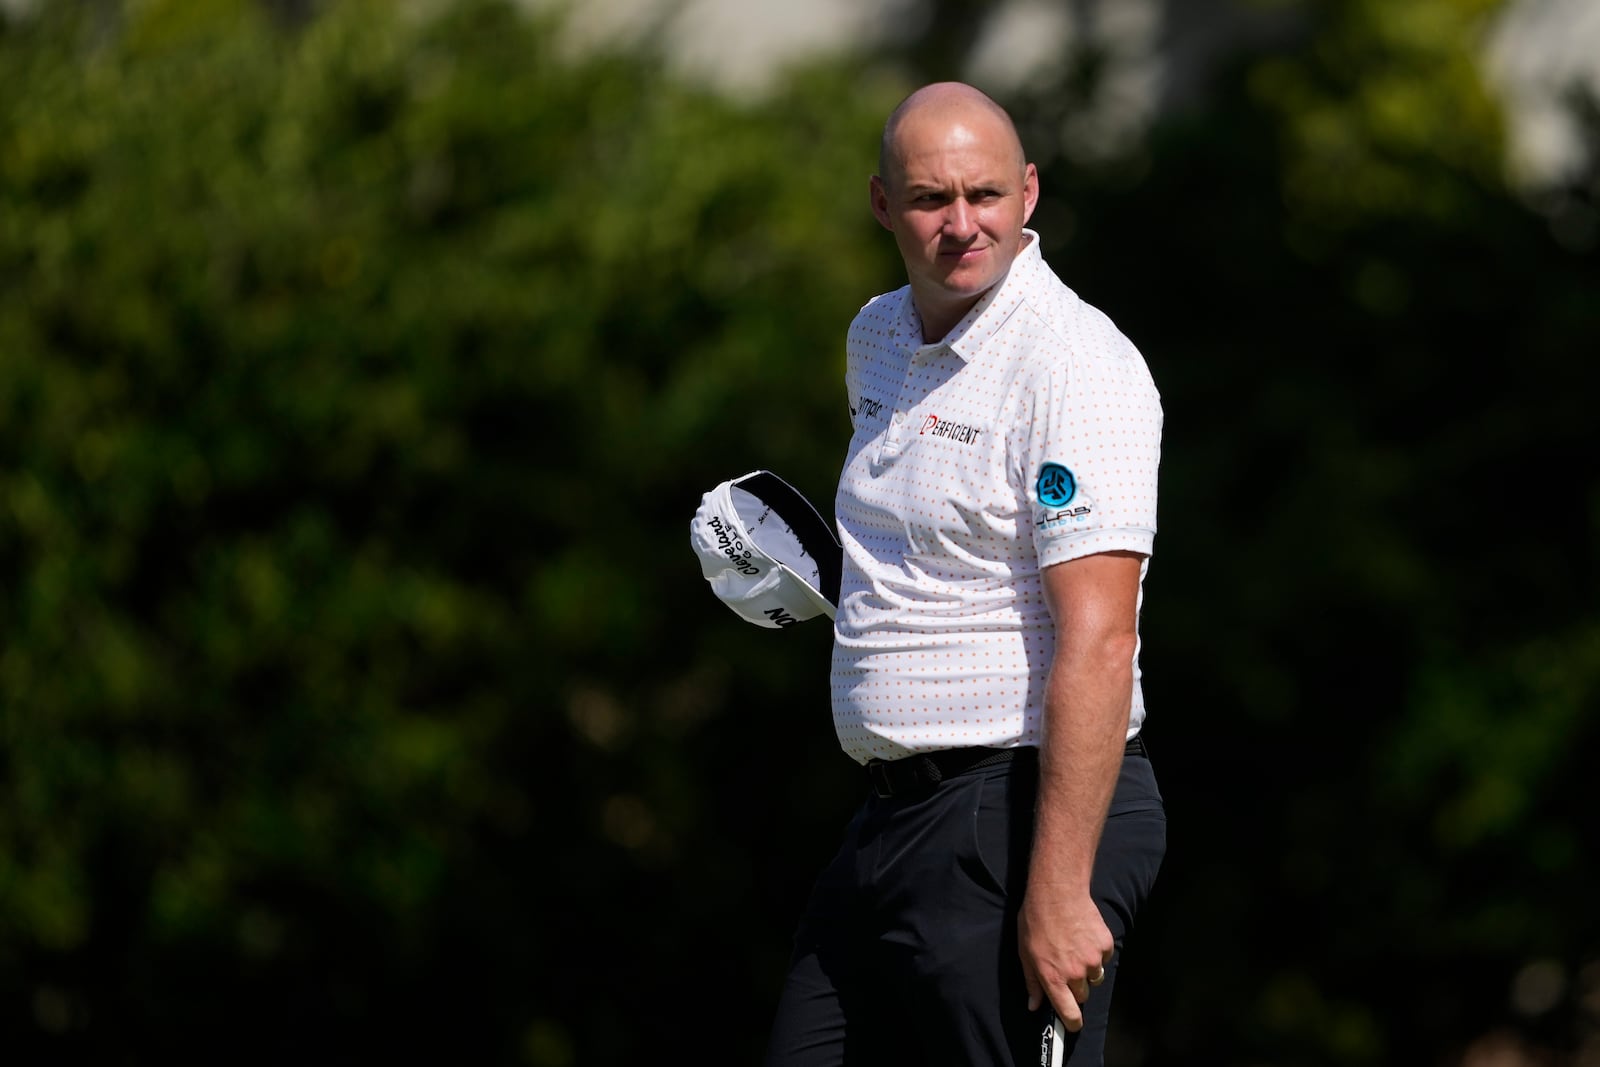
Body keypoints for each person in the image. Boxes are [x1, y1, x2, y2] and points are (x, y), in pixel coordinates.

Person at [762, 81, 1167, 1067]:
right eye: (931, 199)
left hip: (1022, 812)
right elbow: (917, 551)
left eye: (983, 195)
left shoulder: (1076, 363)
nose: (960, 224)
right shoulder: (877, 336)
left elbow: (1102, 635)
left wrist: (1058, 886)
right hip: (889, 816)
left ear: (1028, 192)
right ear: (881, 203)